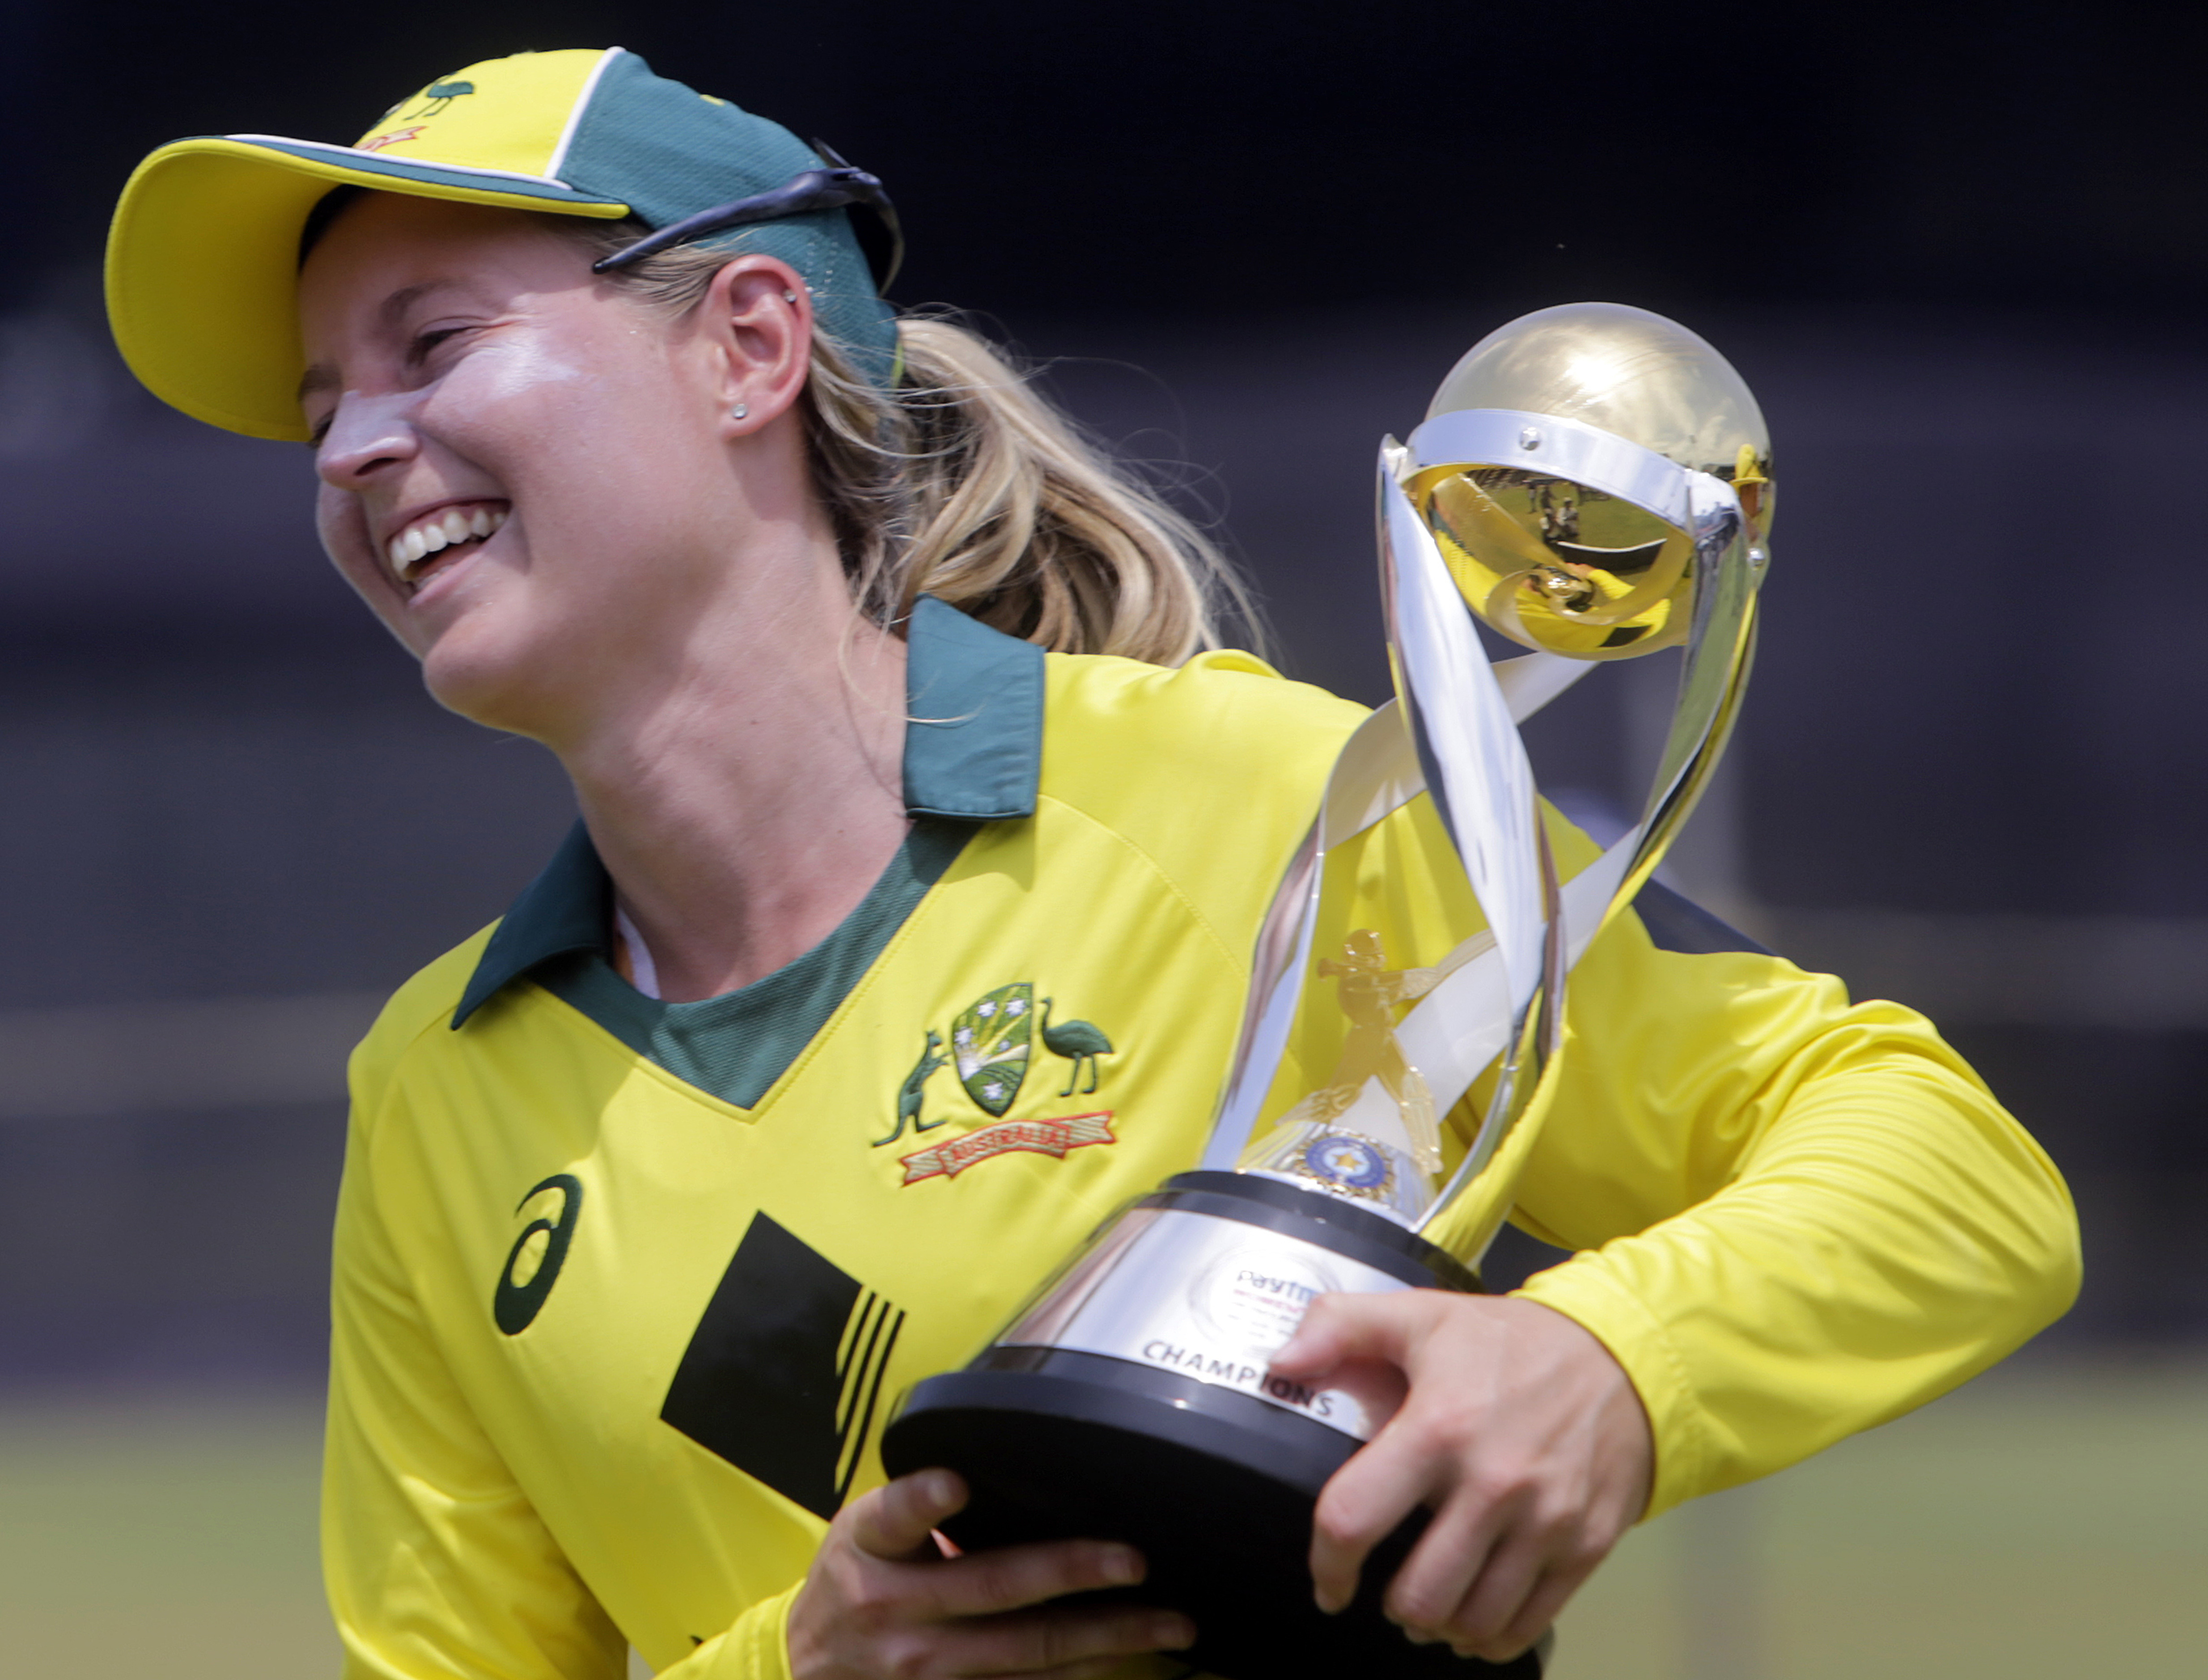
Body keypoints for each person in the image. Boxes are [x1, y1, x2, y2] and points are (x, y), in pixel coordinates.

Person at [105, 46, 2080, 1680]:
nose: (353, 450)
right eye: (323, 407)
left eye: (435, 344)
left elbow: (1952, 1174)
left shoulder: (1245, 800)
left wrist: (1604, 1361)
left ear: (748, 346)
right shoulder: (432, 1090)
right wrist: (802, 1666)